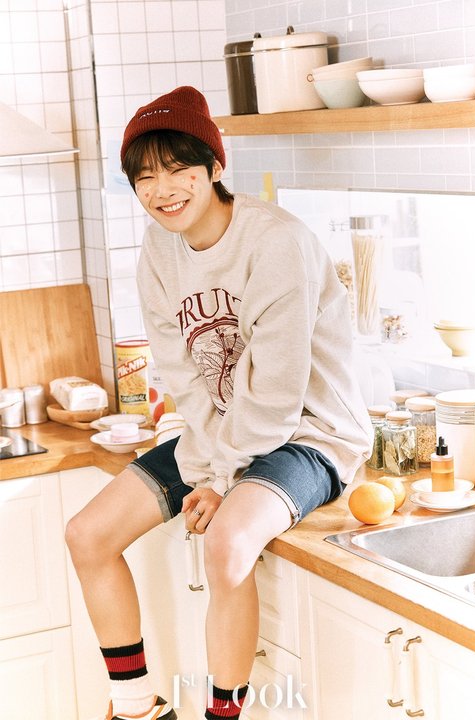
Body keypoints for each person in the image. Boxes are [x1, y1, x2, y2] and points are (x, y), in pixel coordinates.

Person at [65, 86, 373, 720]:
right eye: (145, 177)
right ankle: (137, 706)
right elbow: (183, 374)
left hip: (310, 436)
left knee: (227, 543)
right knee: (87, 534)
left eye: (179, 168)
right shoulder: (159, 248)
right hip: (225, 432)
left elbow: (278, 394)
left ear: (214, 166)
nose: (163, 190)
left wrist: (221, 480)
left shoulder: (275, 242)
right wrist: (209, 469)